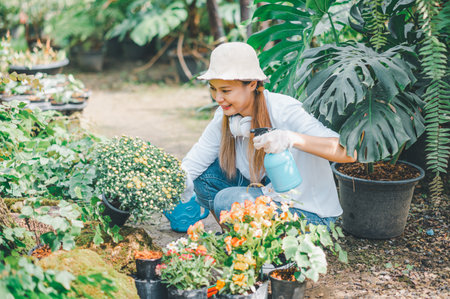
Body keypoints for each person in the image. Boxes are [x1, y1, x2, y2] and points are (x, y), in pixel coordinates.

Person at [181, 42, 356, 228]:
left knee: (226, 200)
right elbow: (194, 163)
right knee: (203, 178)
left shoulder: (284, 109)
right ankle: (238, 242)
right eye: (213, 88)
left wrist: (292, 138)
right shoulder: (224, 116)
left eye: (225, 90)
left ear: (252, 84)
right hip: (269, 195)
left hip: (309, 215)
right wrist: (167, 185)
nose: (218, 98)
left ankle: (254, 245)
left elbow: (346, 152)